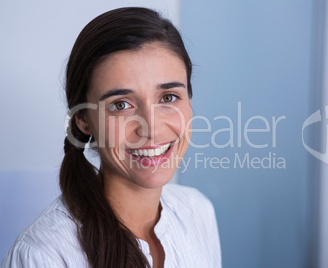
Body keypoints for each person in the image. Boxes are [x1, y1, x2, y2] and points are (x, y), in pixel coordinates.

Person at [1, 7, 221, 268]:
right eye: (120, 105)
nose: (150, 128)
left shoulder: (198, 212)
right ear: (83, 119)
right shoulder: (42, 254)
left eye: (168, 97)